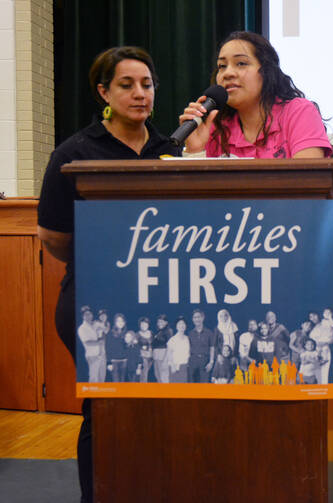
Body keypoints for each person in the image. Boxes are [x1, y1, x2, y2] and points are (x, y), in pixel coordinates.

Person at [36, 46, 180, 503]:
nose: (140, 94)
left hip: (160, 302)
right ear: (104, 91)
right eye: (126, 85)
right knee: (106, 404)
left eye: (147, 84)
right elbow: (53, 236)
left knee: (161, 408)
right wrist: (103, 260)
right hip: (91, 302)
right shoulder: (75, 152)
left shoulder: (170, 151)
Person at [180, 31, 332, 159]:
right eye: (222, 66)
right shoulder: (214, 128)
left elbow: (308, 183)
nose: (228, 74)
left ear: (266, 72)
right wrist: (195, 150)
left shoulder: (298, 112)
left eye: (241, 63)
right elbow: (198, 191)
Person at [187, 309, 216, 383]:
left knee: (204, 385)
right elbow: (188, 349)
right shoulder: (190, 333)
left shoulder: (209, 333)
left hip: (204, 361)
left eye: (198, 317)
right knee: (192, 384)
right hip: (192, 361)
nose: (197, 319)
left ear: (203, 318)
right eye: (195, 317)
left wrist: (211, 362)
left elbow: (212, 348)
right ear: (193, 319)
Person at [166, 316, 190, 383]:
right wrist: (173, 366)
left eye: (183, 324)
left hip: (184, 367)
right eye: (179, 324)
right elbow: (169, 354)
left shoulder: (187, 339)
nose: (181, 325)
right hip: (175, 367)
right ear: (176, 326)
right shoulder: (172, 339)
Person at [152, 314, 172, 383]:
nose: (159, 323)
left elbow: (170, 347)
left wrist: (165, 360)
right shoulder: (158, 332)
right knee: (158, 376)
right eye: (158, 322)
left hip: (163, 358)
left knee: (164, 378)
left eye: (161, 321)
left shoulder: (168, 331)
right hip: (156, 358)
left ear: (166, 322)